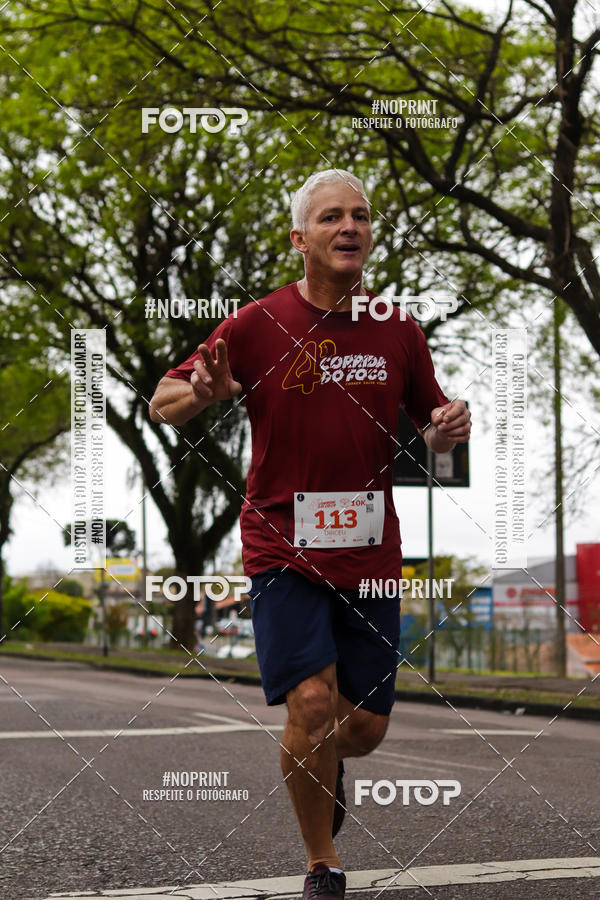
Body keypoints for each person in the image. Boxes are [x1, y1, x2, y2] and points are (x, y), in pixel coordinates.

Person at [149, 169, 472, 899]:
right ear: (300, 238)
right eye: (331, 217)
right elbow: (163, 400)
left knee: (361, 728)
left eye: (360, 216)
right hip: (281, 546)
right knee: (314, 707)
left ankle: (331, 764)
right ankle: (322, 862)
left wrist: (449, 427)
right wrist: (201, 394)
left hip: (370, 552)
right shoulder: (257, 323)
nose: (349, 227)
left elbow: (434, 425)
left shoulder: (397, 326)